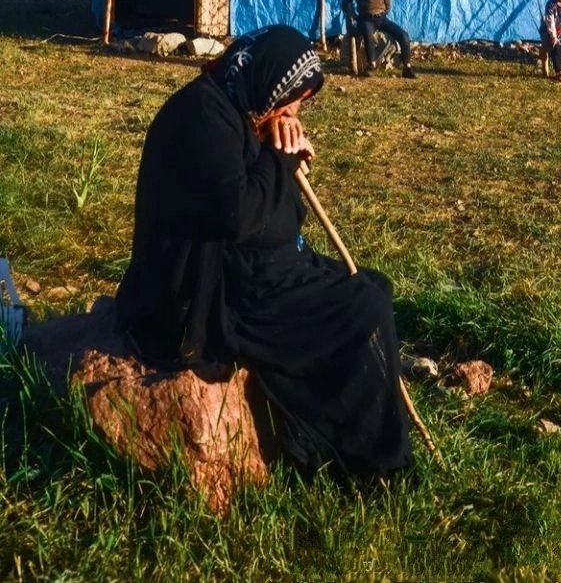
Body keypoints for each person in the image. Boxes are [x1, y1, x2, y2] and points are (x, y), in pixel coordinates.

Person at [115, 25, 412, 477]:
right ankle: (363, 461)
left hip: (250, 267)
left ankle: (348, 434)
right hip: (202, 293)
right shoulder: (201, 119)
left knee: (370, 288)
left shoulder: (238, 105)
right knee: (364, 309)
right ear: (268, 82)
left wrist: (282, 161)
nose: (294, 111)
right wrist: (280, 160)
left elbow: (280, 215)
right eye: (292, 99)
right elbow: (238, 215)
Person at [341, 0, 417, 78]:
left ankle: (407, 67)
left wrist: (382, 14)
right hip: (366, 20)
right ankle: (371, 65)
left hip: (382, 19)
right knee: (368, 35)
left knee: (404, 35)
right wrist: (353, 14)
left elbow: (388, 4)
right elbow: (345, 2)